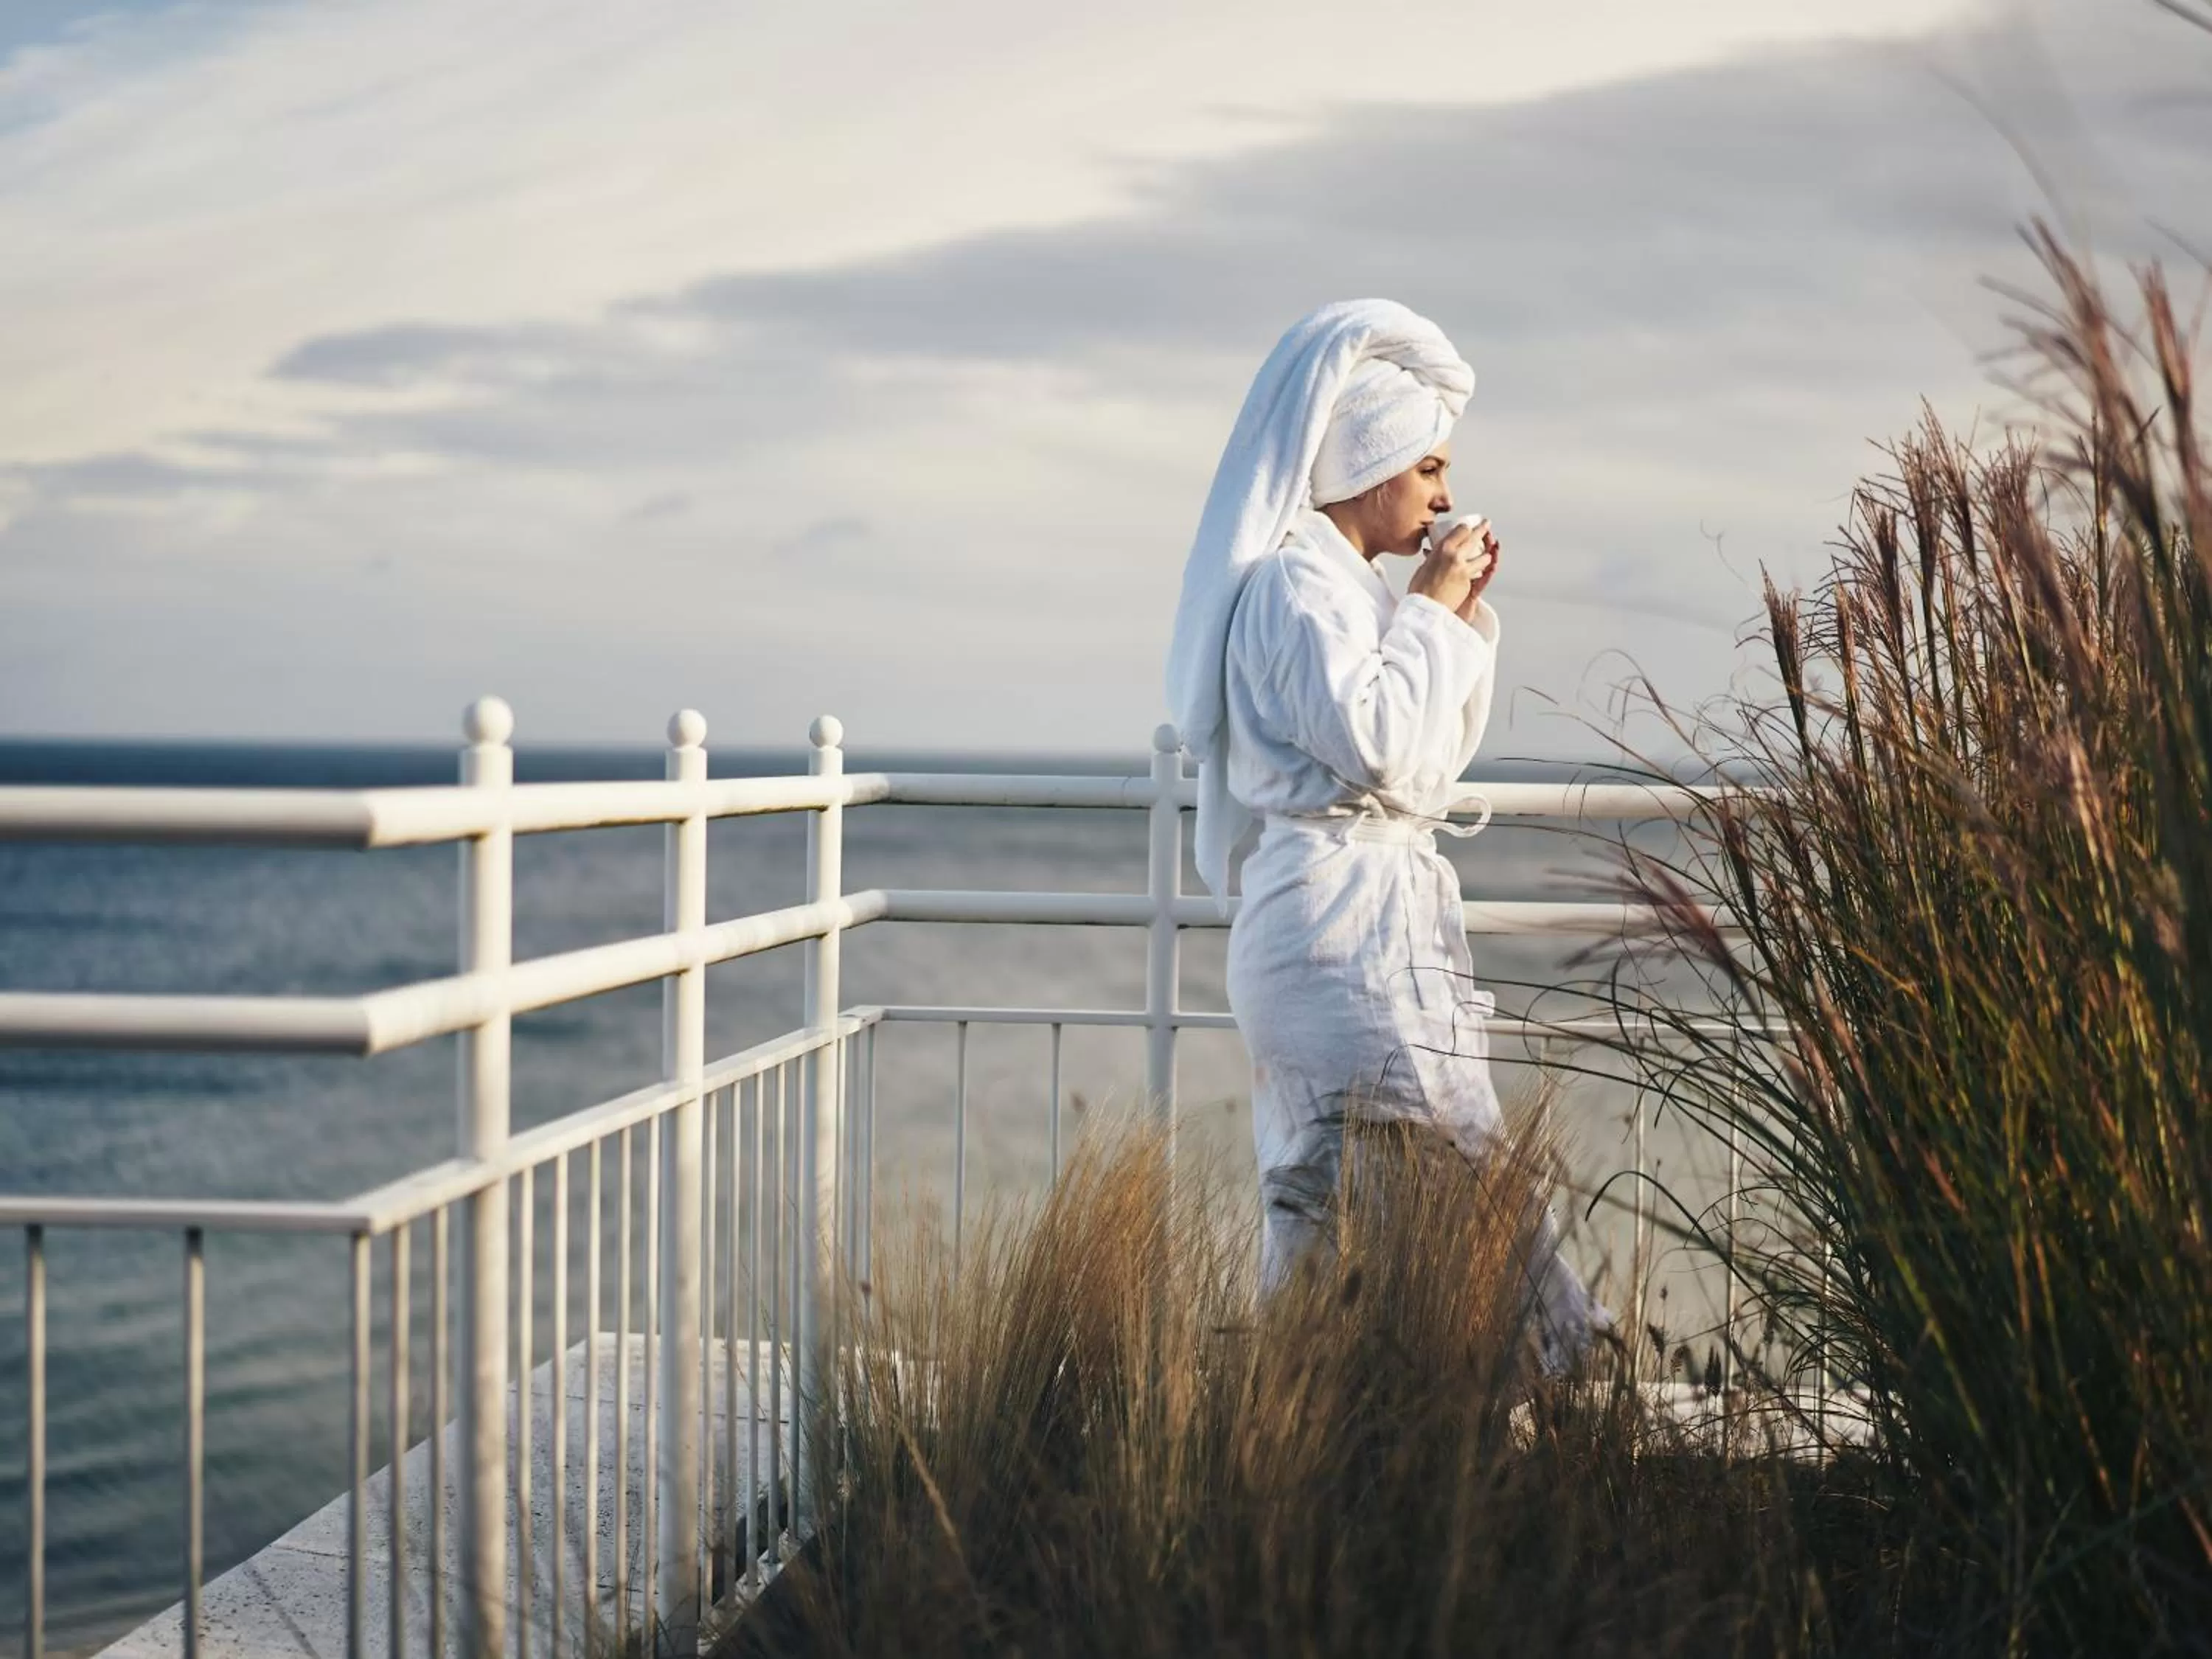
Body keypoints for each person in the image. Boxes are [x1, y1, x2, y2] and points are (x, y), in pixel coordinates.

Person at [1164, 298, 1610, 1372]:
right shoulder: (1291, 590)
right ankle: (1509, 1387)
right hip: (1329, 934)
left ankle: (1348, 1432)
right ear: (1371, 468)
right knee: (1395, 1178)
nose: (1447, 494)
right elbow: (1378, 741)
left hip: (1364, 922)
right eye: (1431, 468)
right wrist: (1432, 606)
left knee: (1388, 1190)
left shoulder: (1350, 592)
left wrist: (1444, 612)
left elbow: (1427, 765)